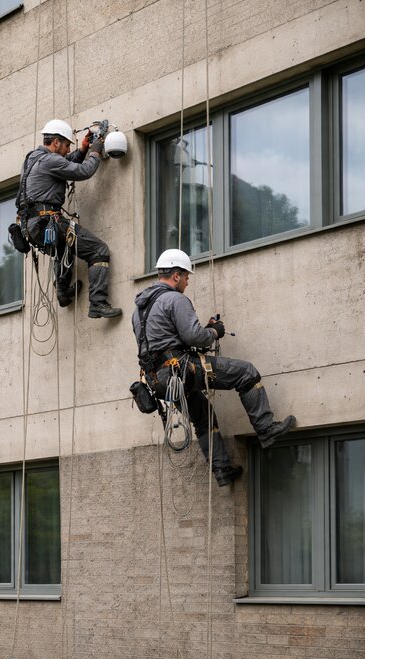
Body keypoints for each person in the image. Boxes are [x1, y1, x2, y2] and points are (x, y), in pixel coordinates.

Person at [132, 249, 296, 487]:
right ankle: (266, 429)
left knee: (203, 417)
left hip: (158, 380)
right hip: (180, 369)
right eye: (186, 276)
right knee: (246, 373)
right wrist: (215, 331)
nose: (188, 281)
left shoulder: (139, 310)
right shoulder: (175, 299)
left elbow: (160, 340)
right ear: (176, 276)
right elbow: (194, 337)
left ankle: (221, 470)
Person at [16, 118, 122, 319]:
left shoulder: (32, 160)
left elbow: (62, 166)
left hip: (31, 227)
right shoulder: (50, 160)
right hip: (47, 221)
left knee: (65, 247)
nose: (66, 150)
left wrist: (82, 151)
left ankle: (63, 292)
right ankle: (98, 303)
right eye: (66, 146)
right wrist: (95, 151)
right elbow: (83, 171)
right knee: (98, 250)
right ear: (55, 142)